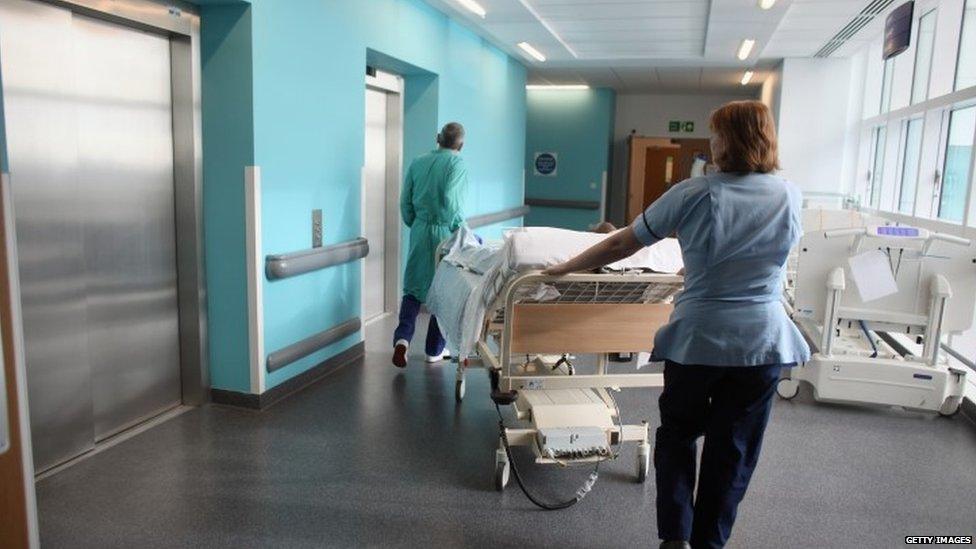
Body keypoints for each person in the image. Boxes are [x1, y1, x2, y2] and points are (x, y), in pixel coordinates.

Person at [543, 100, 809, 549]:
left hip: (699, 340)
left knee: (679, 435)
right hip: (762, 341)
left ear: (730, 140)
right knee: (735, 449)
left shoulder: (694, 192)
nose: (712, 142)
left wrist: (566, 267)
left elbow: (623, 243)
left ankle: (675, 539)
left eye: (716, 134)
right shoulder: (790, 195)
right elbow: (765, 257)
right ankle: (710, 542)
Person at [392, 122, 468, 369]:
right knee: (442, 290)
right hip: (443, 232)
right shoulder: (457, 164)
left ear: (438, 138)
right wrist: (458, 229)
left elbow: (405, 202)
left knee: (413, 287)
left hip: (419, 229)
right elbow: (451, 202)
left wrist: (416, 224)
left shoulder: (418, 162)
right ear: (462, 145)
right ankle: (434, 350)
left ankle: (402, 340)